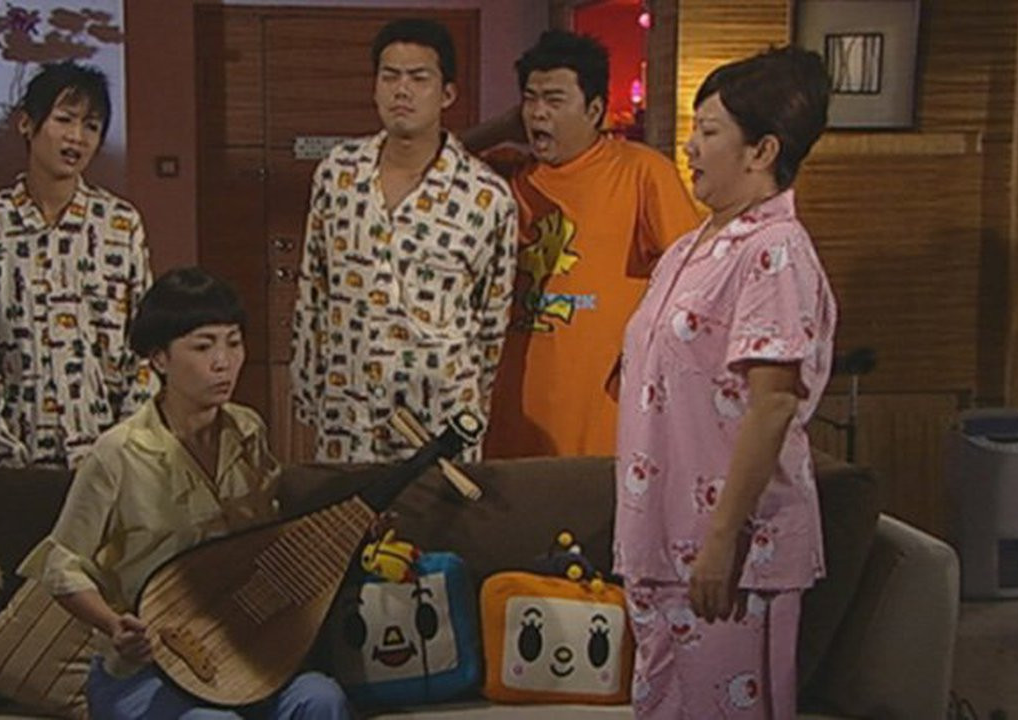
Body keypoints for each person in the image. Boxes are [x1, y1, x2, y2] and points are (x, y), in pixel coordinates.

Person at [611, 47, 836, 718]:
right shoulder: (691, 247)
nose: (689, 146)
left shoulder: (775, 250)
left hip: (729, 552)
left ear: (762, 151)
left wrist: (720, 542)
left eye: (709, 131)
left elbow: (772, 406)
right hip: (658, 542)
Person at [19, 267, 350, 720]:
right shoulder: (118, 453)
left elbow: (267, 539)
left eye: (233, 343)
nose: (223, 362)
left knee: (320, 698)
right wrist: (114, 625)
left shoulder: (247, 431)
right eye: (203, 346)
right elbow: (62, 565)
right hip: (146, 668)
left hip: (239, 656)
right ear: (159, 359)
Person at [289, 18, 518, 463]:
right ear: (374, 87)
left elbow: (492, 321)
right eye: (390, 76)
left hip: (440, 415)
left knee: (437, 513)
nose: (402, 90)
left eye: (418, 78)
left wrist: (473, 407)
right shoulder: (339, 174)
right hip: (347, 409)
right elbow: (313, 286)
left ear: (447, 94)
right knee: (344, 510)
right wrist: (308, 388)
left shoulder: (486, 196)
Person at [465, 30, 701, 459]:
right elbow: (426, 162)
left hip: (602, 428)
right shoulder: (503, 175)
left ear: (594, 110)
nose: (538, 113)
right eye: (530, 99)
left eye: (554, 100)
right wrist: (501, 126)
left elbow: (698, 283)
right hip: (506, 427)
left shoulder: (642, 172)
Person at [0, 61, 157, 469]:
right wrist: (0, 454)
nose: (76, 137)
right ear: (26, 123)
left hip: (108, 457)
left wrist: (122, 449)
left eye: (91, 126)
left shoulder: (120, 225)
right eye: (64, 120)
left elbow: (146, 344)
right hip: (13, 456)